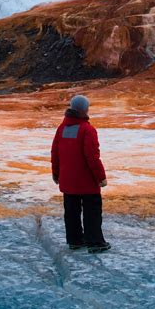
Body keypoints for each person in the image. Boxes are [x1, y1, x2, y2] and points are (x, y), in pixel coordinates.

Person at [51, 94, 111, 253]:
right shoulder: (87, 130)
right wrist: (101, 177)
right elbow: (92, 157)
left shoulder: (62, 128)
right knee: (92, 212)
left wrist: (56, 174)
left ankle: (75, 240)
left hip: (68, 180)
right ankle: (95, 242)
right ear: (84, 110)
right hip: (86, 182)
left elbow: (55, 153)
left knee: (71, 212)